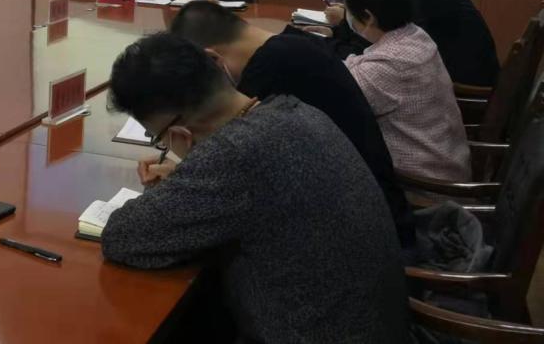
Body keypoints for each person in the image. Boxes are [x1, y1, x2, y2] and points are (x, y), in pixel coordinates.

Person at [102, 32, 410, 342]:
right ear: (216, 64)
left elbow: (123, 236)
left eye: (159, 139)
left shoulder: (233, 155)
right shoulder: (294, 109)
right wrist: (191, 179)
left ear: (180, 134)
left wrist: (183, 182)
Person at [170, 0, 415, 251]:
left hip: (360, 238)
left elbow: (224, 176)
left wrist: (181, 171)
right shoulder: (293, 44)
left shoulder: (268, 72)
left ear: (212, 58)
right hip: (376, 214)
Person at [343, 0, 471, 181]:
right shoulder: (415, 35)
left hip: (422, 187)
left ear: (368, 17)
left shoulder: (388, 65)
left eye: (347, 9)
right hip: (447, 165)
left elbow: (339, 93)